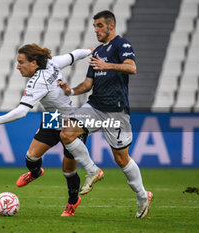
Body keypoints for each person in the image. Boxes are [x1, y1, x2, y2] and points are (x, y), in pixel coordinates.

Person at [0, 43, 92, 217]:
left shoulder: (38, 80)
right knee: (31, 157)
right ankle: (35, 172)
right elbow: (74, 55)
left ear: (34, 62)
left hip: (71, 122)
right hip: (51, 119)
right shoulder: (51, 64)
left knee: (68, 171)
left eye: (21, 62)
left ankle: (73, 202)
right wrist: (89, 51)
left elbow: (22, 112)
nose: (17, 66)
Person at [58, 10, 153, 218]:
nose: (96, 30)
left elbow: (132, 68)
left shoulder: (122, 44)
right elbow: (88, 84)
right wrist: (71, 90)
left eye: (99, 25)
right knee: (66, 133)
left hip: (115, 111)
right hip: (95, 106)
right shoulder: (97, 51)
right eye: (94, 26)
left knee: (121, 159)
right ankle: (93, 170)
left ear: (111, 26)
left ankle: (142, 196)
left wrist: (107, 65)